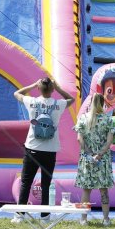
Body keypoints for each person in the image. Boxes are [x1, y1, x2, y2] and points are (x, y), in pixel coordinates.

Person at [13, 77, 75, 221]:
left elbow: (17, 93)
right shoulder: (58, 104)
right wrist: (58, 88)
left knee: (26, 182)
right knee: (46, 184)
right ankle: (45, 216)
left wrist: (33, 85)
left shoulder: (32, 102)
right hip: (50, 149)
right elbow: (71, 99)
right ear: (52, 90)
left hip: (32, 148)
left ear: (39, 89)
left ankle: (19, 215)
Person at [74, 94, 115, 226]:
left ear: (91, 103)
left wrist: (90, 153)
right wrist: (99, 154)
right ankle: (106, 219)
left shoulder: (83, 118)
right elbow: (109, 141)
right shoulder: (108, 120)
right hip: (103, 159)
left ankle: (83, 219)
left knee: (86, 190)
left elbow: (79, 139)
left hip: (87, 158)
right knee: (104, 190)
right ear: (103, 103)